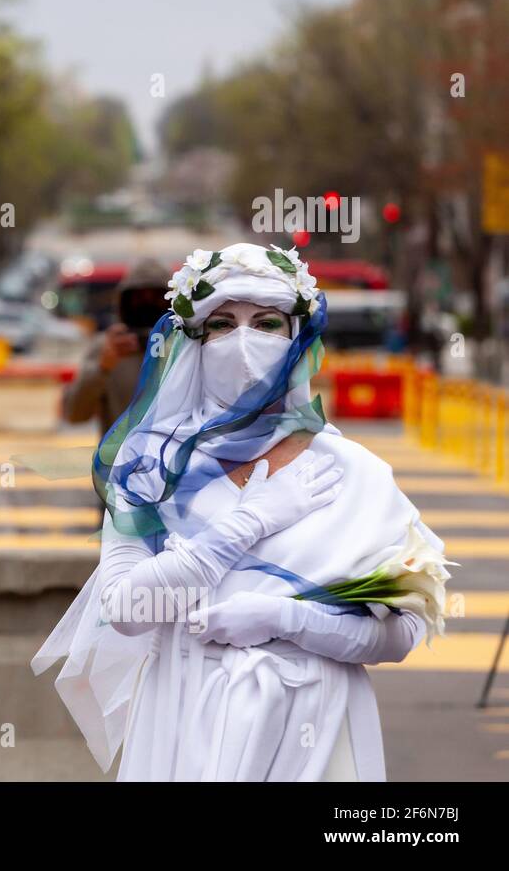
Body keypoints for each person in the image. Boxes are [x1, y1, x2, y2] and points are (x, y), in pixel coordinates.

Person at [33, 243, 452, 781]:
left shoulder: (354, 472)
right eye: (223, 324)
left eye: (267, 322)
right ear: (195, 342)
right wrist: (245, 524)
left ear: (297, 338)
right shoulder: (150, 466)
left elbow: (401, 634)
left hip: (315, 731)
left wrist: (285, 619)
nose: (244, 341)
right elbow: (126, 608)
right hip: (183, 719)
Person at [63, 259, 170, 437]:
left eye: (157, 297)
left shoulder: (186, 345)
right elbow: (75, 415)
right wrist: (102, 368)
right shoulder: (107, 347)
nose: (147, 303)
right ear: (125, 302)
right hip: (118, 461)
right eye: (139, 297)